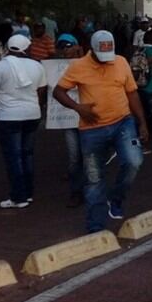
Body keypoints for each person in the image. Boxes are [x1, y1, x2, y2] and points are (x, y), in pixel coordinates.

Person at [53, 31, 149, 232]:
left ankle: (116, 198)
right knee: (94, 179)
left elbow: (132, 93)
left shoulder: (121, 62)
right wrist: (78, 108)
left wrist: (142, 122)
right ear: (92, 49)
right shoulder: (78, 66)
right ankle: (96, 227)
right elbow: (58, 91)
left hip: (123, 122)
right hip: (91, 129)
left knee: (134, 161)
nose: (106, 60)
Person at [0, 35, 47, 209]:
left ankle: (18, 197)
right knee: (27, 154)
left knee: (13, 157)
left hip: (8, 116)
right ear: (26, 48)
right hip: (32, 114)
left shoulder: (1, 66)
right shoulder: (37, 65)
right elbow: (42, 90)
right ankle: (28, 192)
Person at [53, 34, 86, 208]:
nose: (66, 50)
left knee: (88, 156)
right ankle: (76, 192)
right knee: (74, 158)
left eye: (68, 46)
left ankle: (91, 190)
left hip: (88, 119)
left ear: (77, 46)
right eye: (62, 47)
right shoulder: (55, 67)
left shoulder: (88, 64)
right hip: (69, 120)